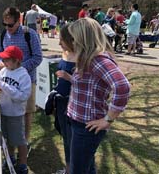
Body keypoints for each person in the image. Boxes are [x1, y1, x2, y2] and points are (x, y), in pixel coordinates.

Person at [67, 17, 130, 174]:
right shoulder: (87, 59)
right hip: (80, 123)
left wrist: (108, 119)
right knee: (87, 168)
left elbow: (122, 86)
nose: (72, 42)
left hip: (87, 126)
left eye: (74, 38)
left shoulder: (97, 60)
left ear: (83, 39)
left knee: (79, 170)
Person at [0, 7, 42, 156]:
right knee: (7, 111)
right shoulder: (4, 34)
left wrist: (19, 69)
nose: (7, 28)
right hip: (7, 81)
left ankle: (24, 142)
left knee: (26, 112)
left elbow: (37, 57)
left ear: (19, 21)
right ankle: (9, 144)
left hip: (27, 80)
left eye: (11, 25)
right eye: (5, 24)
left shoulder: (30, 34)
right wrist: (0, 63)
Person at [0, 45, 31, 174]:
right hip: (3, 110)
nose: (3, 62)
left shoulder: (23, 75)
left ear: (16, 60)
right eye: (3, 59)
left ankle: (23, 164)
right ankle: (10, 158)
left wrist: (5, 87)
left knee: (19, 140)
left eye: (7, 59)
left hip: (15, 114)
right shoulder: (3, 71)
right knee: (7, 138)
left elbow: (23, 96)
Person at [54, 24, 76, 174]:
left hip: (73, 105)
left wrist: (69, 78)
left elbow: (86, 84)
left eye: (62, 40)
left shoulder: (81, 58)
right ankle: (68, 168)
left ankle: (74, 169)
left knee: (73, 140)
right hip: (61, 102)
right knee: (65, 137)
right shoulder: (64, 54)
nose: (59, 43)